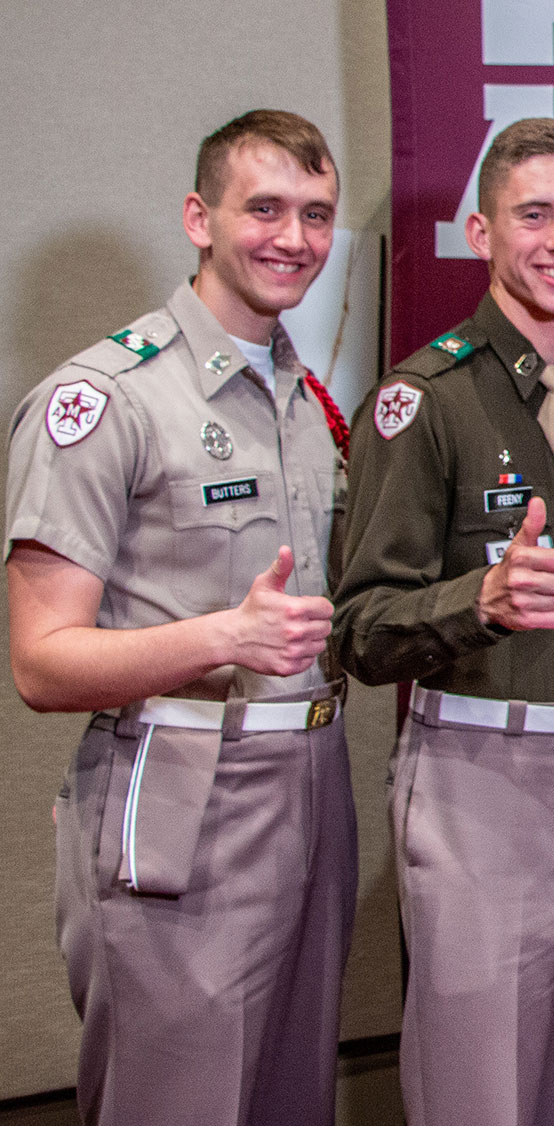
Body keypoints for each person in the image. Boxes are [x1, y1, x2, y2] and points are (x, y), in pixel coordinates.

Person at [6, 109, 354, 1125]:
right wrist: (221, 638)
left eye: (317, 213)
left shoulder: (303, 395)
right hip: (181, 797)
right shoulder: (106, 398)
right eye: (265, 208)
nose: (293, 237)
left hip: (309, 790)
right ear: (200, 218)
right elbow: (40, 661)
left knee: (293, 1099)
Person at [331, 117, 554, 1126]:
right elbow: (360, 630)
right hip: (480, 776)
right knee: (482, 1086)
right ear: (480, 230)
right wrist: (479, 601)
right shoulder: (423, 400)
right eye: (533, 215)